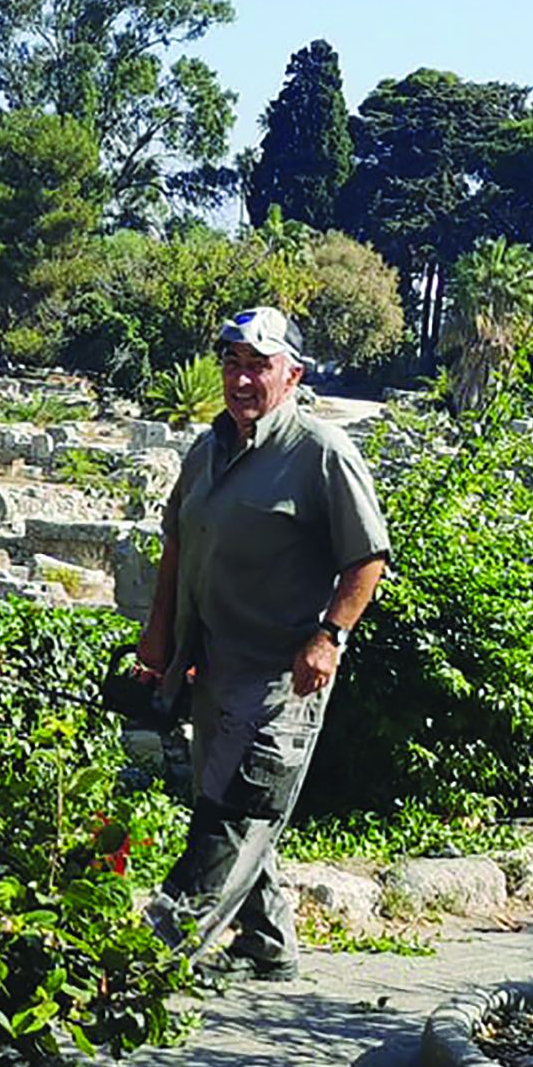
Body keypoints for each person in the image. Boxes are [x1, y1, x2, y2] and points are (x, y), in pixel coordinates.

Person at [133, 306, 392, 975]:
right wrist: (157, 642)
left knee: (241, 810)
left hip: (283, 674)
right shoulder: (206, 449)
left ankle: (152, 955)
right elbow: (176, 546)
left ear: (293, 374)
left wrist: (330, 635)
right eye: (233, 363)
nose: (243, 379)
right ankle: (268, 942)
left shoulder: (320, 453)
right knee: (222, 799)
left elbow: (368, 558)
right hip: (213, 665)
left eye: (259, 366)